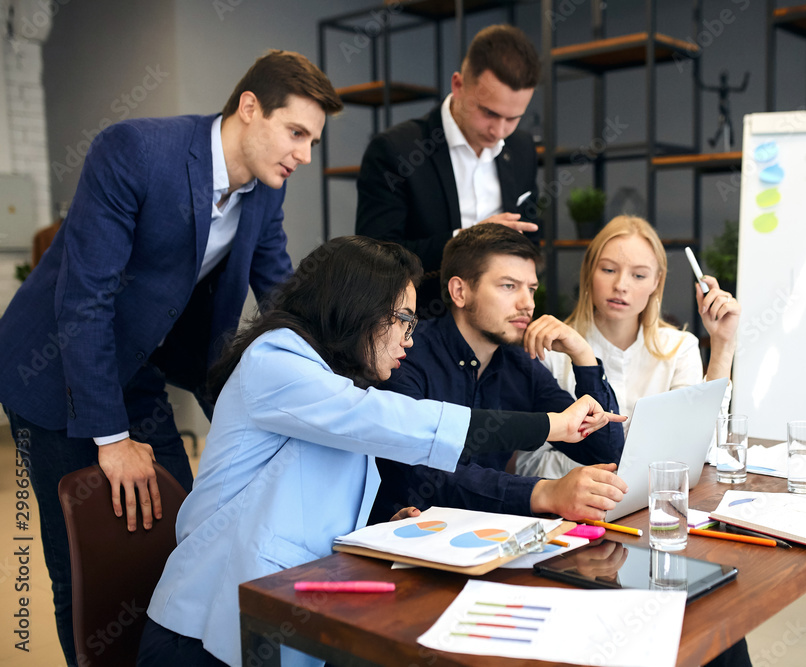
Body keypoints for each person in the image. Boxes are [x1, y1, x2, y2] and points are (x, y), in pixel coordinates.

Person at [0, 50, 341, 666]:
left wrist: (336, 385)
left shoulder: (262, 194)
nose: (305, 156)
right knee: (88, 561)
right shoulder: (135, 151)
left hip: (139, 369)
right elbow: (85, 300)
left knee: (183, 533)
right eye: (297, 133)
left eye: (314, 141)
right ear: (249, 108)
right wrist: (111, 438)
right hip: (52, 371)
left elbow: (281, 298)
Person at [138, 236, 620, 667]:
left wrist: (373, 530)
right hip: (203, 632)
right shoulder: (276, 362)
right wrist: (550, 425)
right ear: (359, 308)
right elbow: (395, 423)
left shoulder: (335, 380)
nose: (410, 338)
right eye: (403, 320)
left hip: (290, 615)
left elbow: (303, 497)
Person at [370, 223, 628, 525]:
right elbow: (424, 477)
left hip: (492, 539)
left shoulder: (520, 364)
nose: (527, 303)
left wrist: (583, 357)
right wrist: (545, 492)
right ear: (460, 291)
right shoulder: (406, 354)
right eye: (509, 286)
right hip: (401, 543)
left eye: (531, 288)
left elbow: (607, 453)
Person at [516, 214, 740, 479]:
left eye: (639, 275)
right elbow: (527, 465)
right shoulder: (551, 349)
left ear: (656, 282)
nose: (621, 285)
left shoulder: (680, 348)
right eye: (609, 270)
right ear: (589, 272)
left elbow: (701, 450)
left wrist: (723, 344)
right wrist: (624, 471)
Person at [355, 24, 541, 317]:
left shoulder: (521, 148)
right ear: (458, 85)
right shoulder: (395, 150)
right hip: (420, 330)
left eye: (513, 118)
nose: (499, 131)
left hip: (503, 330)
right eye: (488, 112)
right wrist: (467, 240)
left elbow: (531, 235)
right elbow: (377, 259)